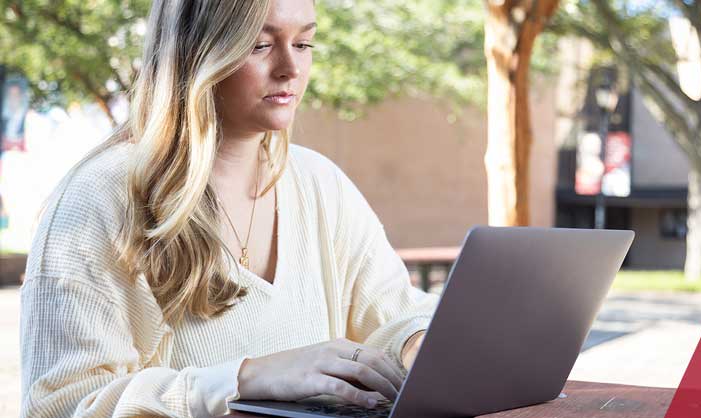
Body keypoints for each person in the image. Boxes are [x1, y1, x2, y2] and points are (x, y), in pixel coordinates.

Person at [19, 1, 437, 417]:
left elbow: (394, 314)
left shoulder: (319, 183)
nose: (290, 68)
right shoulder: (98, 199)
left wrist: (418, 344)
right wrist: (245, 379)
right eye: (259, 45)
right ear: (195, 53)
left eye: (305, 43)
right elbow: (60, 405)